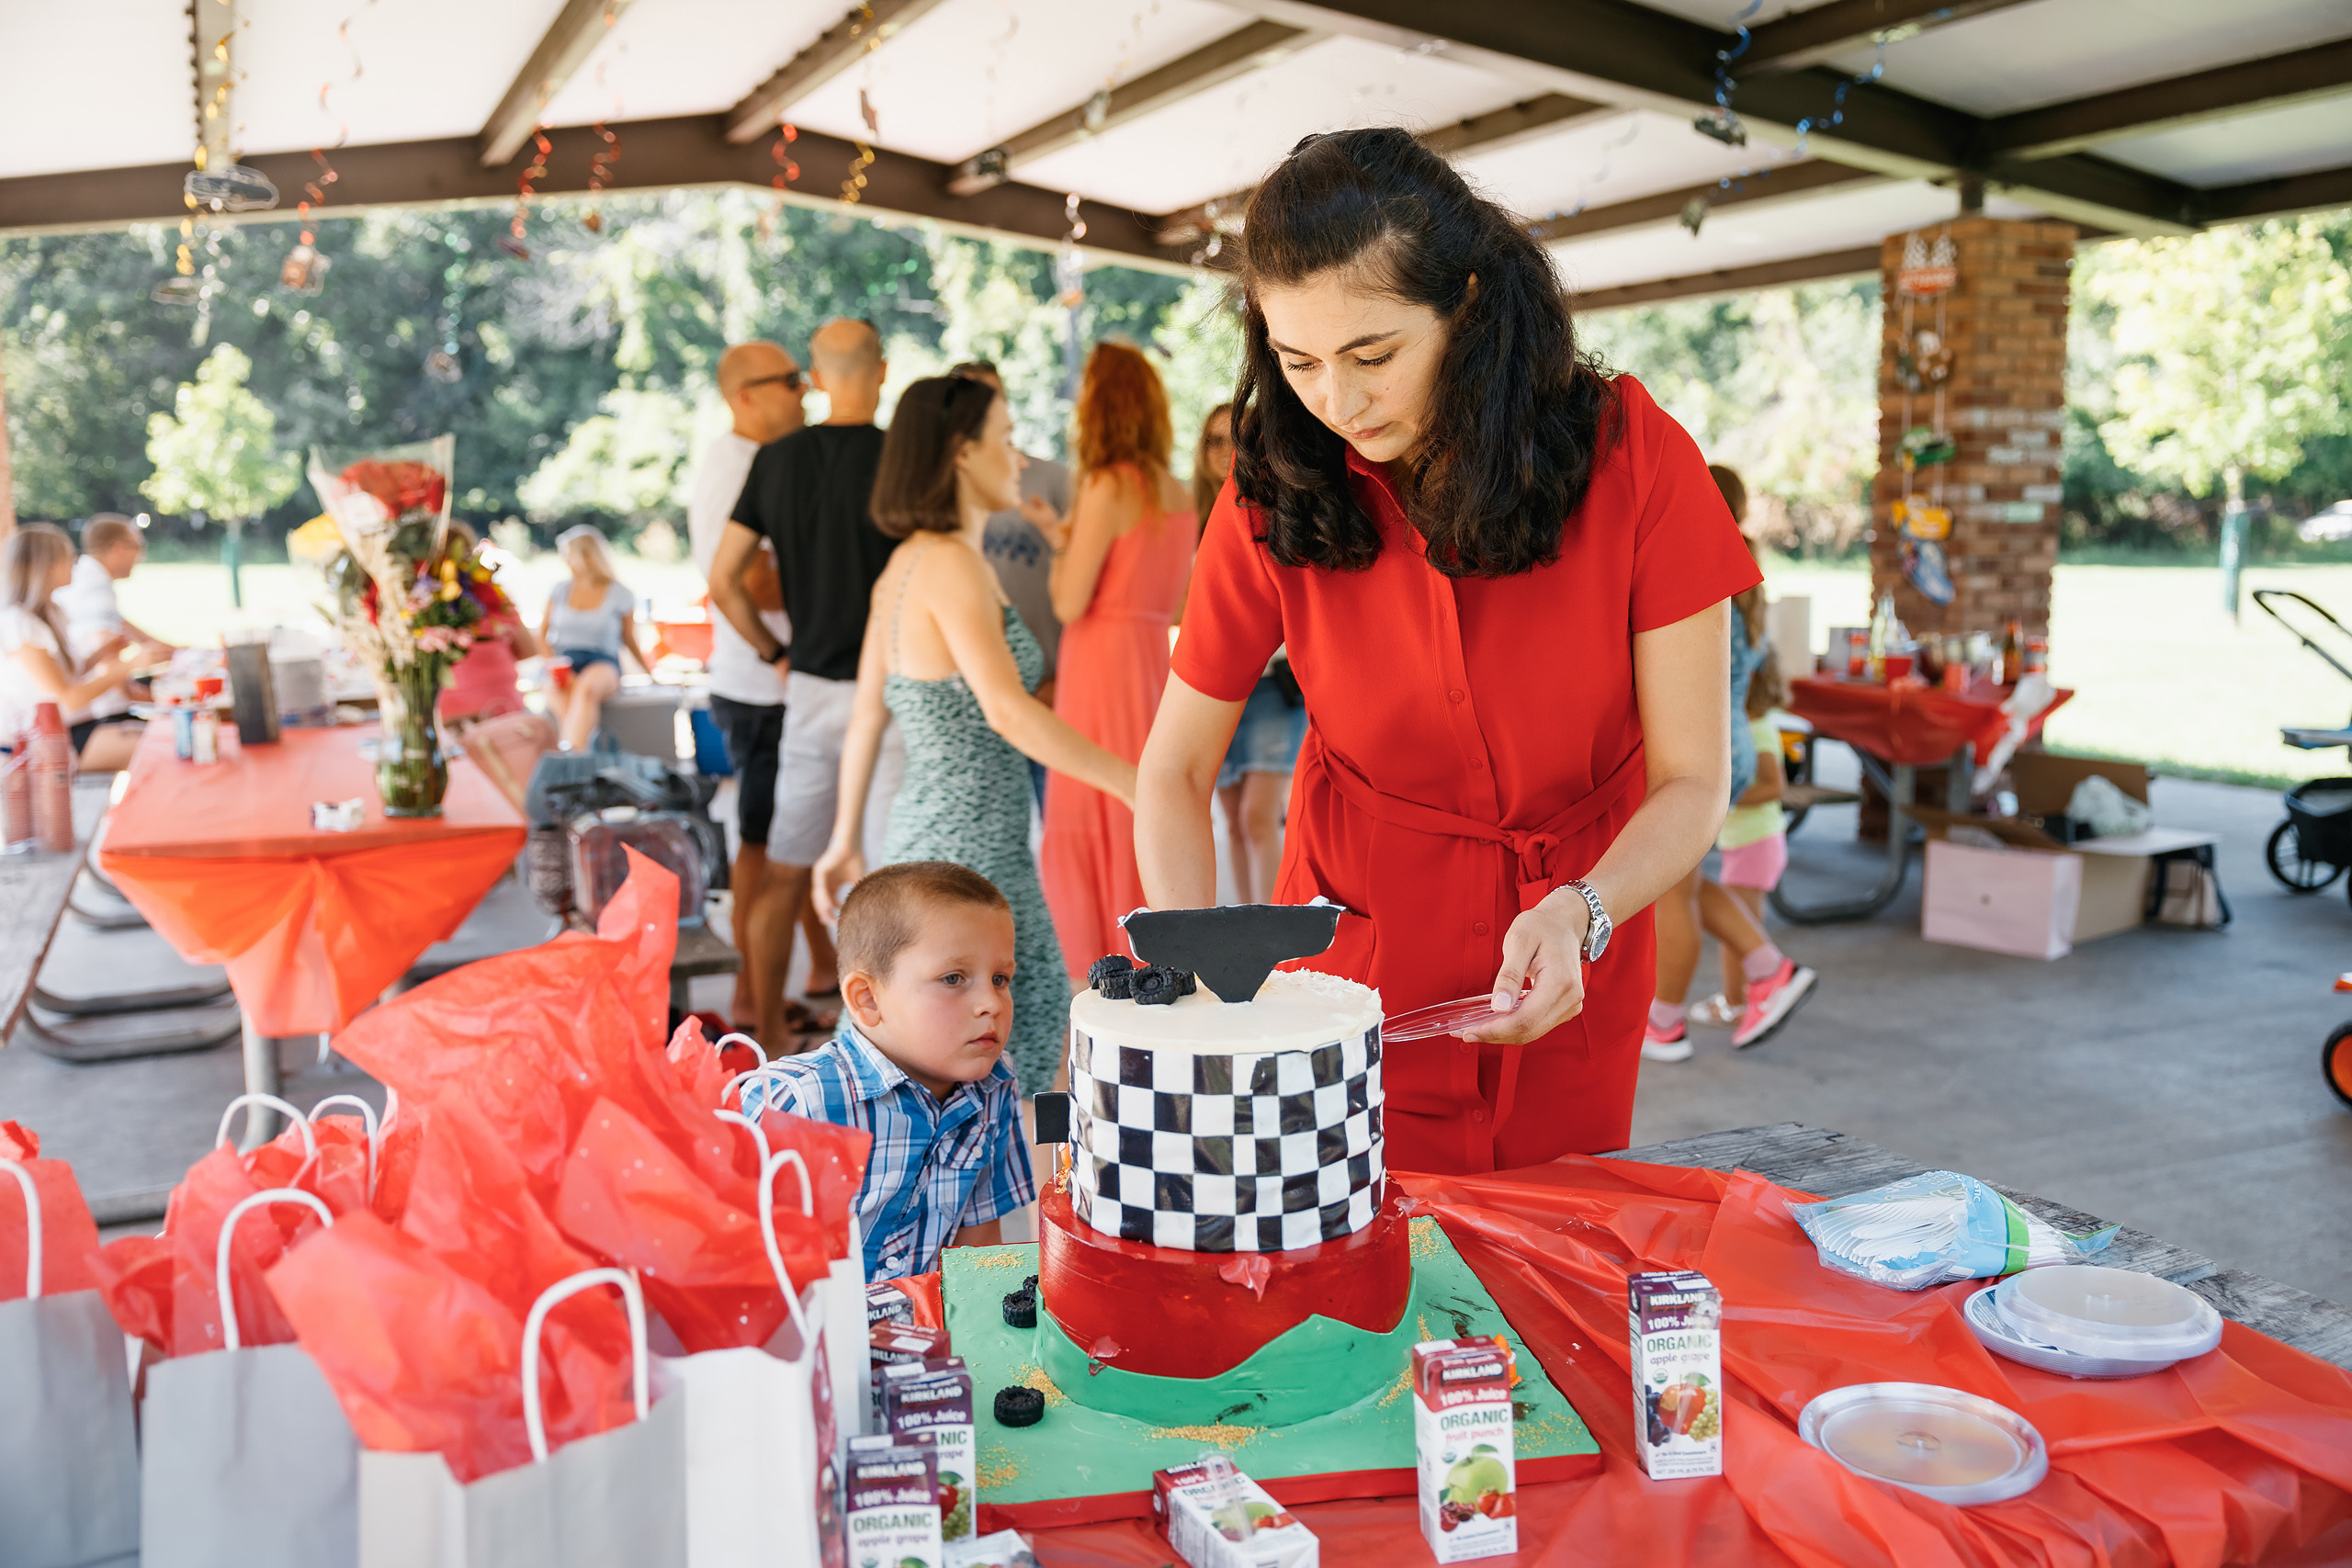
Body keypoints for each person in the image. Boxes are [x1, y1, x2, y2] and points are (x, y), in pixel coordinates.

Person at [1135, 128, 1762, 1175]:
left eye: (1373, 355)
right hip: (1344, 959)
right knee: (1346, 1267)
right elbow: (1175, 768)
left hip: (1568, 945)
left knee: (1538, 1266)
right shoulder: (1271, 486)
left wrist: (1585, 910)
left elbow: (1695, 780)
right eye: (1298, 363)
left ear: (1466, 308)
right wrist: (1197, 969)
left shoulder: (1633, 456)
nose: (1336, 402)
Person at [810, 375, 1137, 1095]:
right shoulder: (951, 564)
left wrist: (844, 838)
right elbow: (1007, 711)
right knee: (997, 1034)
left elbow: (871, 712)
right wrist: (1130, 781)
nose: (1017, 459)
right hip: (969, 842)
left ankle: (966, 1199)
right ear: (962, 452)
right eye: (1006, 438)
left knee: (925, 1046)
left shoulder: (905, 564)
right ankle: (998, 1199)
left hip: (933, 832)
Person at [708, 318, 905, 1054]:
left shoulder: (778, 459)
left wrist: (773, 652)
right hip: (889, 695)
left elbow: (724, 581)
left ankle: (761, 1038)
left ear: (817, 379)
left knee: (785, 870)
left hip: (812, 691)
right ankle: (877, 1045)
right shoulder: (903, 460)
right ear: (879, 371)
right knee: (885, 877)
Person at [745, 861, 1036, 1281]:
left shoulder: (994, 1085)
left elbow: (981, 1247)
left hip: (926, 1336)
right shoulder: (796, 1100)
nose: (990, 1002)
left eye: (1000, 978)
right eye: (953, 978)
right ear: (867, 999)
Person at [690, 339, 842, 1032]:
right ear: (744, 395)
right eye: (788, 381)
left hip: (769, 678)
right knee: (762, 846)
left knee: (792, 838)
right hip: (761, 683)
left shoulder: (759, 461)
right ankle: (753, 996)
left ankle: (813, 967)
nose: (804, 390)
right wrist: (834, 577)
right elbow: (746, 578)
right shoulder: (738, 465)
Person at [1646, 466, 1816, 1060]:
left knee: (1672, 891)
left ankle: (1664, 1021)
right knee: (1683, 884)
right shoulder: (1738, 562)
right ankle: (1767, 967)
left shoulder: (1696, 560)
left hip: (1703, 744)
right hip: (1734, 738)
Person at [1039, 341, 1195, 979]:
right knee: (1141, 799)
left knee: (1087, 801)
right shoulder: (1178, 490)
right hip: (1149, 664)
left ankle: (1089, 959)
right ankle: (1150, 948)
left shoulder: (1105, 485)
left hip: (1098, 665)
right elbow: (1178, 597)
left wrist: (1059, 549)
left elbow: (1069, 600)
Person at [1190, 401, 1306, 905]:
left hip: (1276, 685)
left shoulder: (1283, 506)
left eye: (1233, 440)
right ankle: (1245, 921)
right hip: (1221, 687)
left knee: (1259, 816)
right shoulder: (1194, 520)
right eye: (1213, 441)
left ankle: (1273, 936)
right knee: (1232, 819)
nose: (1225, 452)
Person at [953, 360, 1073, 809]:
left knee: (1057, 824)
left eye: (993, 397)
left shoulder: (1052, 479)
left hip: (1046, 685)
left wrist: (1064, 676)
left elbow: (1085, 584)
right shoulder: (939, 512)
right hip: (971, 700)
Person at [1691, 637, 1797, 1029]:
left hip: (1756, 843)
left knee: (1738, 934)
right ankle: (1741, 998)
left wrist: (1726, 795)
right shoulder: (1748, 725)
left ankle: (1737, 1003)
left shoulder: (1759, 729)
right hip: (1746, 843)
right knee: (1741, 929)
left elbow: (1774, 786)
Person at [2, 524, 150, 766]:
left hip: (78, 725)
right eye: (68, 558)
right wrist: (130, 665)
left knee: (163, 735)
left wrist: (102, 653)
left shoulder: (52, 613)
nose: (76, 563)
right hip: (45, 741)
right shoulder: (19, 624)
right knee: (159, 749)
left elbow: (67, 676)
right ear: (47, 567)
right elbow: (68, 698)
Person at [57, 513, 168, 766]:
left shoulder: (89, 576)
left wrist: (182, 651)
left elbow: (131, 636)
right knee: (178, 743)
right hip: (94, 719)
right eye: (138, 547)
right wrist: (144, 692)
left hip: (87, 715)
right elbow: (106, 665)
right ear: (118, 549)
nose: (141, 556)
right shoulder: (95, 588)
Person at [538, 525, 651, 751]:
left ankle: (569, 755)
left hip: (603, 660)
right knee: (557, 690)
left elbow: (629, 639)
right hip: (563, 661)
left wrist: (650, 674)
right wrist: (552, 664)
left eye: (569, 556)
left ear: (588, 557)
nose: (566, 562)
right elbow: (542, 635)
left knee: (586, 688)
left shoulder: (620, 593)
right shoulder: (560, 590)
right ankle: (580, 754)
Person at [436, 521, 542, 726]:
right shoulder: (494, 594)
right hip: (503, 705)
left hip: (451, 712)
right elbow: (529, 649)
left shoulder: (426, 599)